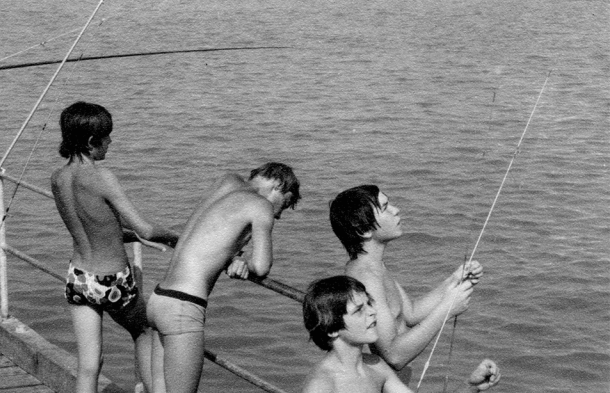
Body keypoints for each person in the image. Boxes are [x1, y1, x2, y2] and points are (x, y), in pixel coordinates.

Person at [51, 101, 178, 393]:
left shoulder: (58, 178)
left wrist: (131, 237)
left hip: (78, 278)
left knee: (89, 365)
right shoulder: (102, 177)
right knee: (144, 331)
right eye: (107, 136)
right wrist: (175, 238)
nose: (111, 141)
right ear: (92, 142)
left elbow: (90, 228)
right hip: (112, 281)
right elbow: (145, 227)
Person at [147, 161, 301, 393]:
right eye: (285, 204)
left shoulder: (227, 182)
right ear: (278, 186)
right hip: (183, 307)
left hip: (160, 298)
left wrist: (233, 258)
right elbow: (261, 266)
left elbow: (212, 233)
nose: (278, 215)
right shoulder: (262, 205)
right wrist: (245, 263)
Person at [329, 185, 483, 378]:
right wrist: (447, 309)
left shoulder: (375, 266)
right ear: (363, 229)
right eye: (385, 207)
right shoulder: (366, 278)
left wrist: (452, 281)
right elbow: (394, 355)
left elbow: (409, 314)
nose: (396, 210)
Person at [301, 276, 500, 393]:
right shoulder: (322, 386)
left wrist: (470, 386)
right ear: (332, 328)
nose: (372, 311)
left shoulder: (375, 365)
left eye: (370, 303)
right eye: (359, 310)